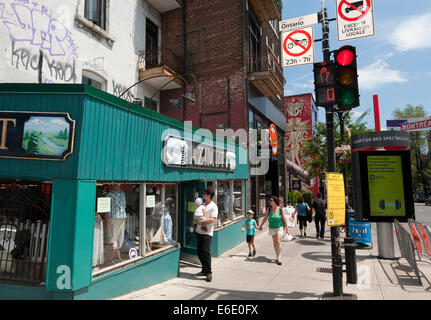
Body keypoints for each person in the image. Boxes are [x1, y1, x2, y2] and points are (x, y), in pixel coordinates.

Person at [195, 187, 218, 282]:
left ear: (209, 195)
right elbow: (197, 215)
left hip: (207, 233)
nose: (203, 195)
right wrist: (197, 221)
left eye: (204, 193)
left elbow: (213, 219)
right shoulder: (202, 204)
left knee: (206, 252)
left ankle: (209, 272)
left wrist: (202, 221)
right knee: (199, 252)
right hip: (199, 231)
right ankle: (204, 269)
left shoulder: (213, 206)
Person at [259, 195, 289, 265]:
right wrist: (261, 225)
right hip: (272, 227)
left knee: (278, 241)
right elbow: (265, 218)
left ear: (275, 202)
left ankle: (279, 257)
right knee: (275, 242)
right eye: (270, 200)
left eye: (271, 200)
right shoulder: (269, 209)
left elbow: (284, 219)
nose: (270, 201)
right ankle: (277, 255)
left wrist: (287, 229)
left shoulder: (280, 209)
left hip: (279, 227)